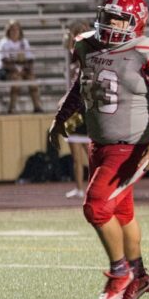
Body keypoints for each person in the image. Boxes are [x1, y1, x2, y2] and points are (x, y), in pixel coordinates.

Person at [48, 0, 149, 299]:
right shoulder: (88, 45)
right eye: (108, 17)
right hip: (99, 143)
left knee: (95, 207)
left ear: (138, 23)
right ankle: (140, 276)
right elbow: (82, 85)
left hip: (130, 146)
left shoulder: (146, 53)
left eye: (120, 20)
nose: (111, 25)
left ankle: (119, 273)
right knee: (121, 213)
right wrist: (61, 117)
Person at [62, 20, 92, 199]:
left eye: (83, 31)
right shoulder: (72, 52)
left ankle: (96, 186)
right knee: (75, 152)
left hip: (84, 105)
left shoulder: (89, 51)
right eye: (77, 31)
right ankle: (79, 188)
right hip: (72, 105)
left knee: (90, 151)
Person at [0, 19, 43, 113]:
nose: (14, 32)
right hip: (6, 70)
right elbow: (4, 61)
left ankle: (37, 106)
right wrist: (17, 69)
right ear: (8, 31)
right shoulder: (4, 43)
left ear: (20, 31)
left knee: (32, 79)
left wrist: (24, 68)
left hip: (23, 68)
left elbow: (30, 59)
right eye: (12, 29)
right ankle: (11, 107)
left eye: (16, 29)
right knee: (16, 79)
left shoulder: (24, 42)